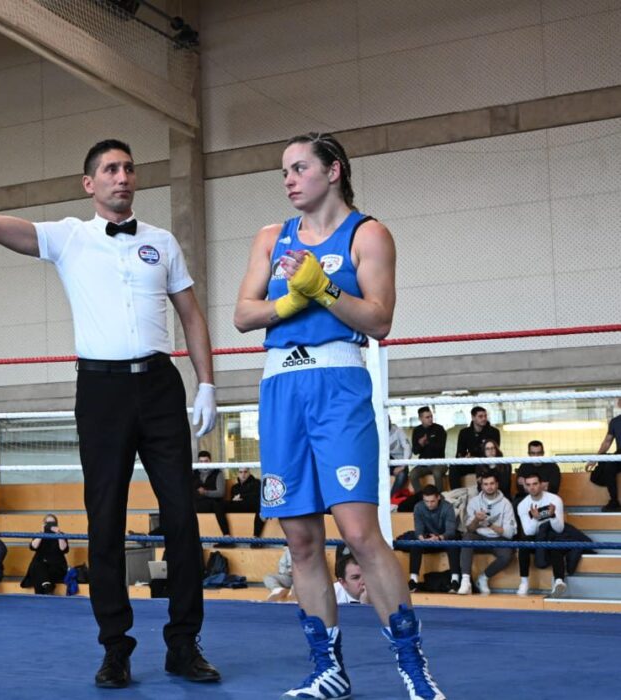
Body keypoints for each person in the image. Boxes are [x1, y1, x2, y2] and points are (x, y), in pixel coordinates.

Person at [0, 128, 220, 687]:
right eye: (111, 169)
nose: (123, 177)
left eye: (129, 168)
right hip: (100, 391)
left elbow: (192, 315)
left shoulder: (163, 241)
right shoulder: (68, 237)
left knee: (181, 516)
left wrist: (208, 384)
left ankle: (183, 644)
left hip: (160, 385)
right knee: (105, 520)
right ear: (88, 184)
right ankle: (115, 648)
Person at [233, 132, 443, 699]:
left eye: (299, 167)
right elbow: (243, 314)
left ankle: (414, 668)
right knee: (301, 541)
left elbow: (379, 320)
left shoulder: (368, 233)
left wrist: (323, 289)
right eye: (284, 171)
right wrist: (290, 301)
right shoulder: (271, 237)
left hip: (338, 384)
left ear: (333, 171)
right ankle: (328, 670)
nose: (289, 179)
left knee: (359, 533)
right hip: (281, 386)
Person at [457, 470, 517, 596]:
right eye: (486, 484)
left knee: (508, 554)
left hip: (498, 539)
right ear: (481, 486)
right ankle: (465, 581)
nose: (489, 487)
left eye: (492, 483)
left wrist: (489, 524)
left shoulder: (506, 504)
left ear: (497, 484)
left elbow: (509, 534)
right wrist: (476, 520)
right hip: (479, 537)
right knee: (467, 538)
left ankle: (483, 578)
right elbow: (469, 529)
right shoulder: (474, 502)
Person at [515, 470, 568, 598]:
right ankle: (524, 582)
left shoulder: (555, 499)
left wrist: (553, 516)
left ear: (541, 484)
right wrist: (536, 519)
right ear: (525, 486)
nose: (532, 487)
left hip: (551, 534)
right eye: (528, 485)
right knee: (523, 543)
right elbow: (528, 532)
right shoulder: (522, 505)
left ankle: (558, 581)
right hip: (535, 537)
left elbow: (559, 529)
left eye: (535, 484)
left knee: (554, 540)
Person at [407, 486, 461, 593]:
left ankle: (455, 580)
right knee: (414, 540)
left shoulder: (448, 507)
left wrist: (439, 537)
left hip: (444, 539)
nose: (429, 504)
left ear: (438, 497)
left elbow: (450, 531)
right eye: (426, 501)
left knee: (455, 539)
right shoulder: (418, 507)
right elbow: (418, 528)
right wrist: (422, 538)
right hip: (428, 540)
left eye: (432, 501)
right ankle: (413, 580)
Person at [451, 406, 500, 489]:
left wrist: (476, 457)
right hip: (471, 463)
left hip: (486, 463)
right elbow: (459, 453)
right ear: (473, 417)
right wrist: (465, 457)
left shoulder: (494, 432)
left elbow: (494, 453)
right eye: (480, 416)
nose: (484, 418)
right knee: (454, 466)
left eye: (485, 416)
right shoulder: (464, 432)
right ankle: (457, 493)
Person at [193, 451, 234, 548]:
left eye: (206, 461)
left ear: (210, 461)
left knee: (217, 504)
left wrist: (205, 492)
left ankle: (226, 536)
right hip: (198, 504)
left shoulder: (217, 473)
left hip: (213, 503)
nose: (203, 464)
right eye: (201, 461)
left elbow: (220, 493)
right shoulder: (194, 473)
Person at [20, 514, 70, 594]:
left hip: (56, 566)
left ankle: (44, 591)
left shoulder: (61, 534)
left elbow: (63, 549)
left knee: (40, 574)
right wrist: (42, 534)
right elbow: (33, 546)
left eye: (52, 523)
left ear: (56, 524)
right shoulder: (39, 534)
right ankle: (47, 588)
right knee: (37, 566)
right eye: (48, 523)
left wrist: (58, 534)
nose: (50, 525)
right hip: (40, 565)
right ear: (43, 524)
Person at [586, 400, 621, 512]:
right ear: (619, 404)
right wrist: (596, 458)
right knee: (607, 464)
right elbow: (607, 442)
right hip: (620, 455)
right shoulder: (615, 422)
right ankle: (614, 502)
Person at [408, 407, 447, 492]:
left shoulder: (439, 429)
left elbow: (441, 447)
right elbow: (415, 451)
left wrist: (427, 442)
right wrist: (420, 444)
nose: (430, 419)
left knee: (437, 473)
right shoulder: (417, 430)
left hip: (439, 463)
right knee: (412, 474)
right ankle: (420, 496)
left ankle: (439, 496)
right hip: (423, 464)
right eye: (427, 417)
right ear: (420, 418)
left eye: (431, 416)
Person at [388, 420, 413, 499]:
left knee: (402, 475)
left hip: (400, 462)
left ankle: (391, 499)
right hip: (385, 464)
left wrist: (402, 466)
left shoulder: (398, 431)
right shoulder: (377, 432)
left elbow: (407, 448)